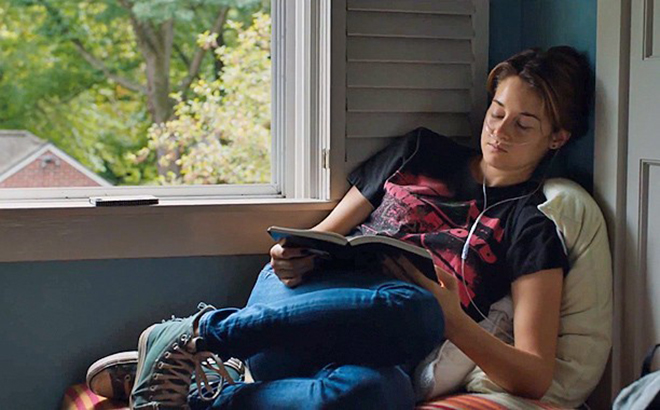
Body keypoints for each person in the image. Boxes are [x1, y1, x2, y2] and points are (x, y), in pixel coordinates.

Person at [127, 46, 593, 410]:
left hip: (389, 342)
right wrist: (287, 255)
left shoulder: (531, 225)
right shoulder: (420, 152)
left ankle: (206, 397)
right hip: (294, 307)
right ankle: (200, 332)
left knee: (383, 391)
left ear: (557, 138)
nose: (499, 131)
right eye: (496, 112)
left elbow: (534, 376)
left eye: (523, 125)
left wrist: (452, 319)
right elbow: (326, 231)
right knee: (414, 307)